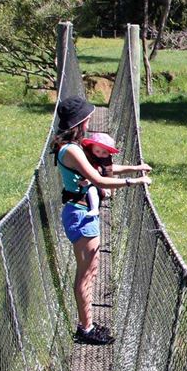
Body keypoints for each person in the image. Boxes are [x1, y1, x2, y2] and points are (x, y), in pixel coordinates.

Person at [53, 96, 152, 345]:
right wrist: (134, 182)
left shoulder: (73, 148)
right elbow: (100, 181)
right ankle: (85, 329)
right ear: (80, 122)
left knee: (91, 270)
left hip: (81, 213)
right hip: (81, 215)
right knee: (86, 274)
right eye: (86, 118)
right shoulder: (72, 150)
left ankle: (88, 324)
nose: (89, 121)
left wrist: (134, 168)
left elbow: (100, 170)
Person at [79, 132, 150, 217]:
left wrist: (112, 194)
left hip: (100, 188)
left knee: (92, 189)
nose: (100, 154)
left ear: (109, 153)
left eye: (104, 152)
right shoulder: (87, 156)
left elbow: (110, 174)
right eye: (97, 151)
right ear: (91, 147)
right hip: (85, 186)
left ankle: (94, 209)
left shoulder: (106, 161)